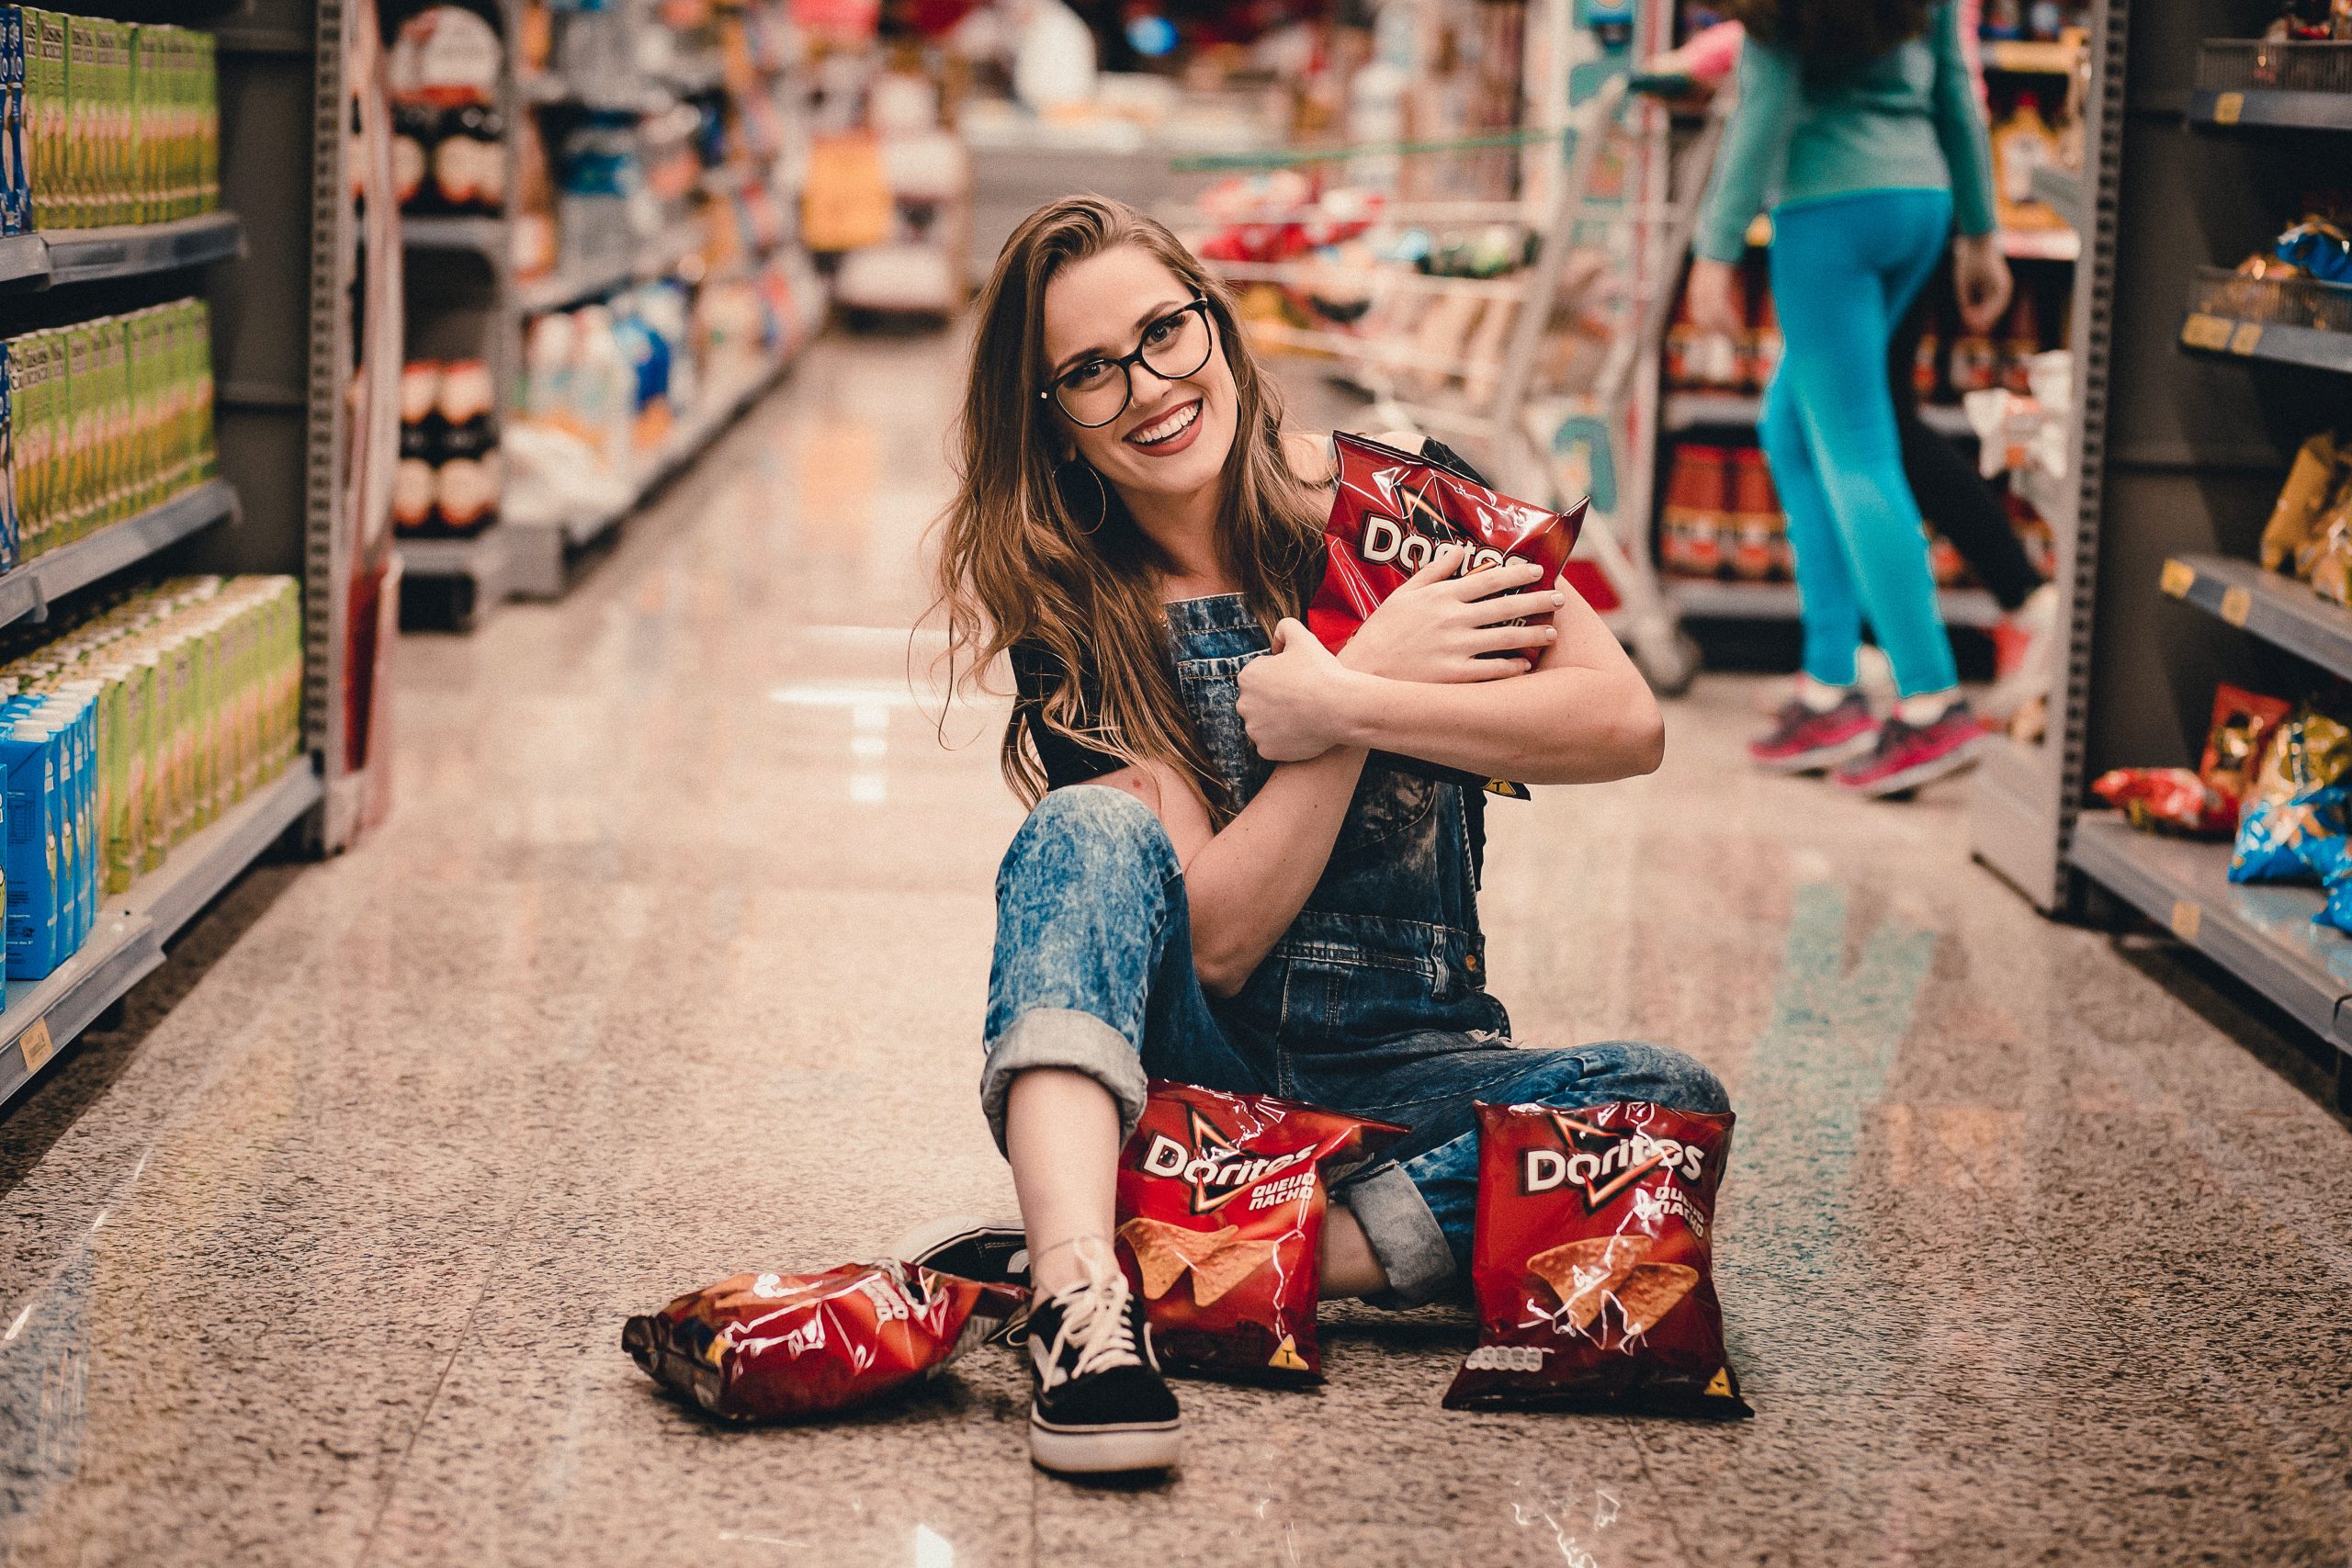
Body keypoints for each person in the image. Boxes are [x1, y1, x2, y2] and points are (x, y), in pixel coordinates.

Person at [912, 196, 1727, 1478]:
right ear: (1053, 422)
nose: (1148, 388)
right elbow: (1221, 937)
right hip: (1197, 1075)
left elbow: (1624, 722)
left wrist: (1345, 691)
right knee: (1083, 832)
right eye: (1088, 373)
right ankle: (1082, 1302)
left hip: (1409, 1069)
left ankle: (1194, 1252)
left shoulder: (1408, 501)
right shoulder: (1079, 616)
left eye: (1164, 333)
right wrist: (1347, 709)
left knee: (1661, 1099)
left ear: (1217, 324)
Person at [1685, 0, 2010, 793]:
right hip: (1919, 206)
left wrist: (1715, 248)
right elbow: (1955, 97)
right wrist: (1980, 229)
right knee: (1791, 426)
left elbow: (1762, 108)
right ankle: (1830, 685)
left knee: (1857, 450)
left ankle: (1931, 699)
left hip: (1828, 208)